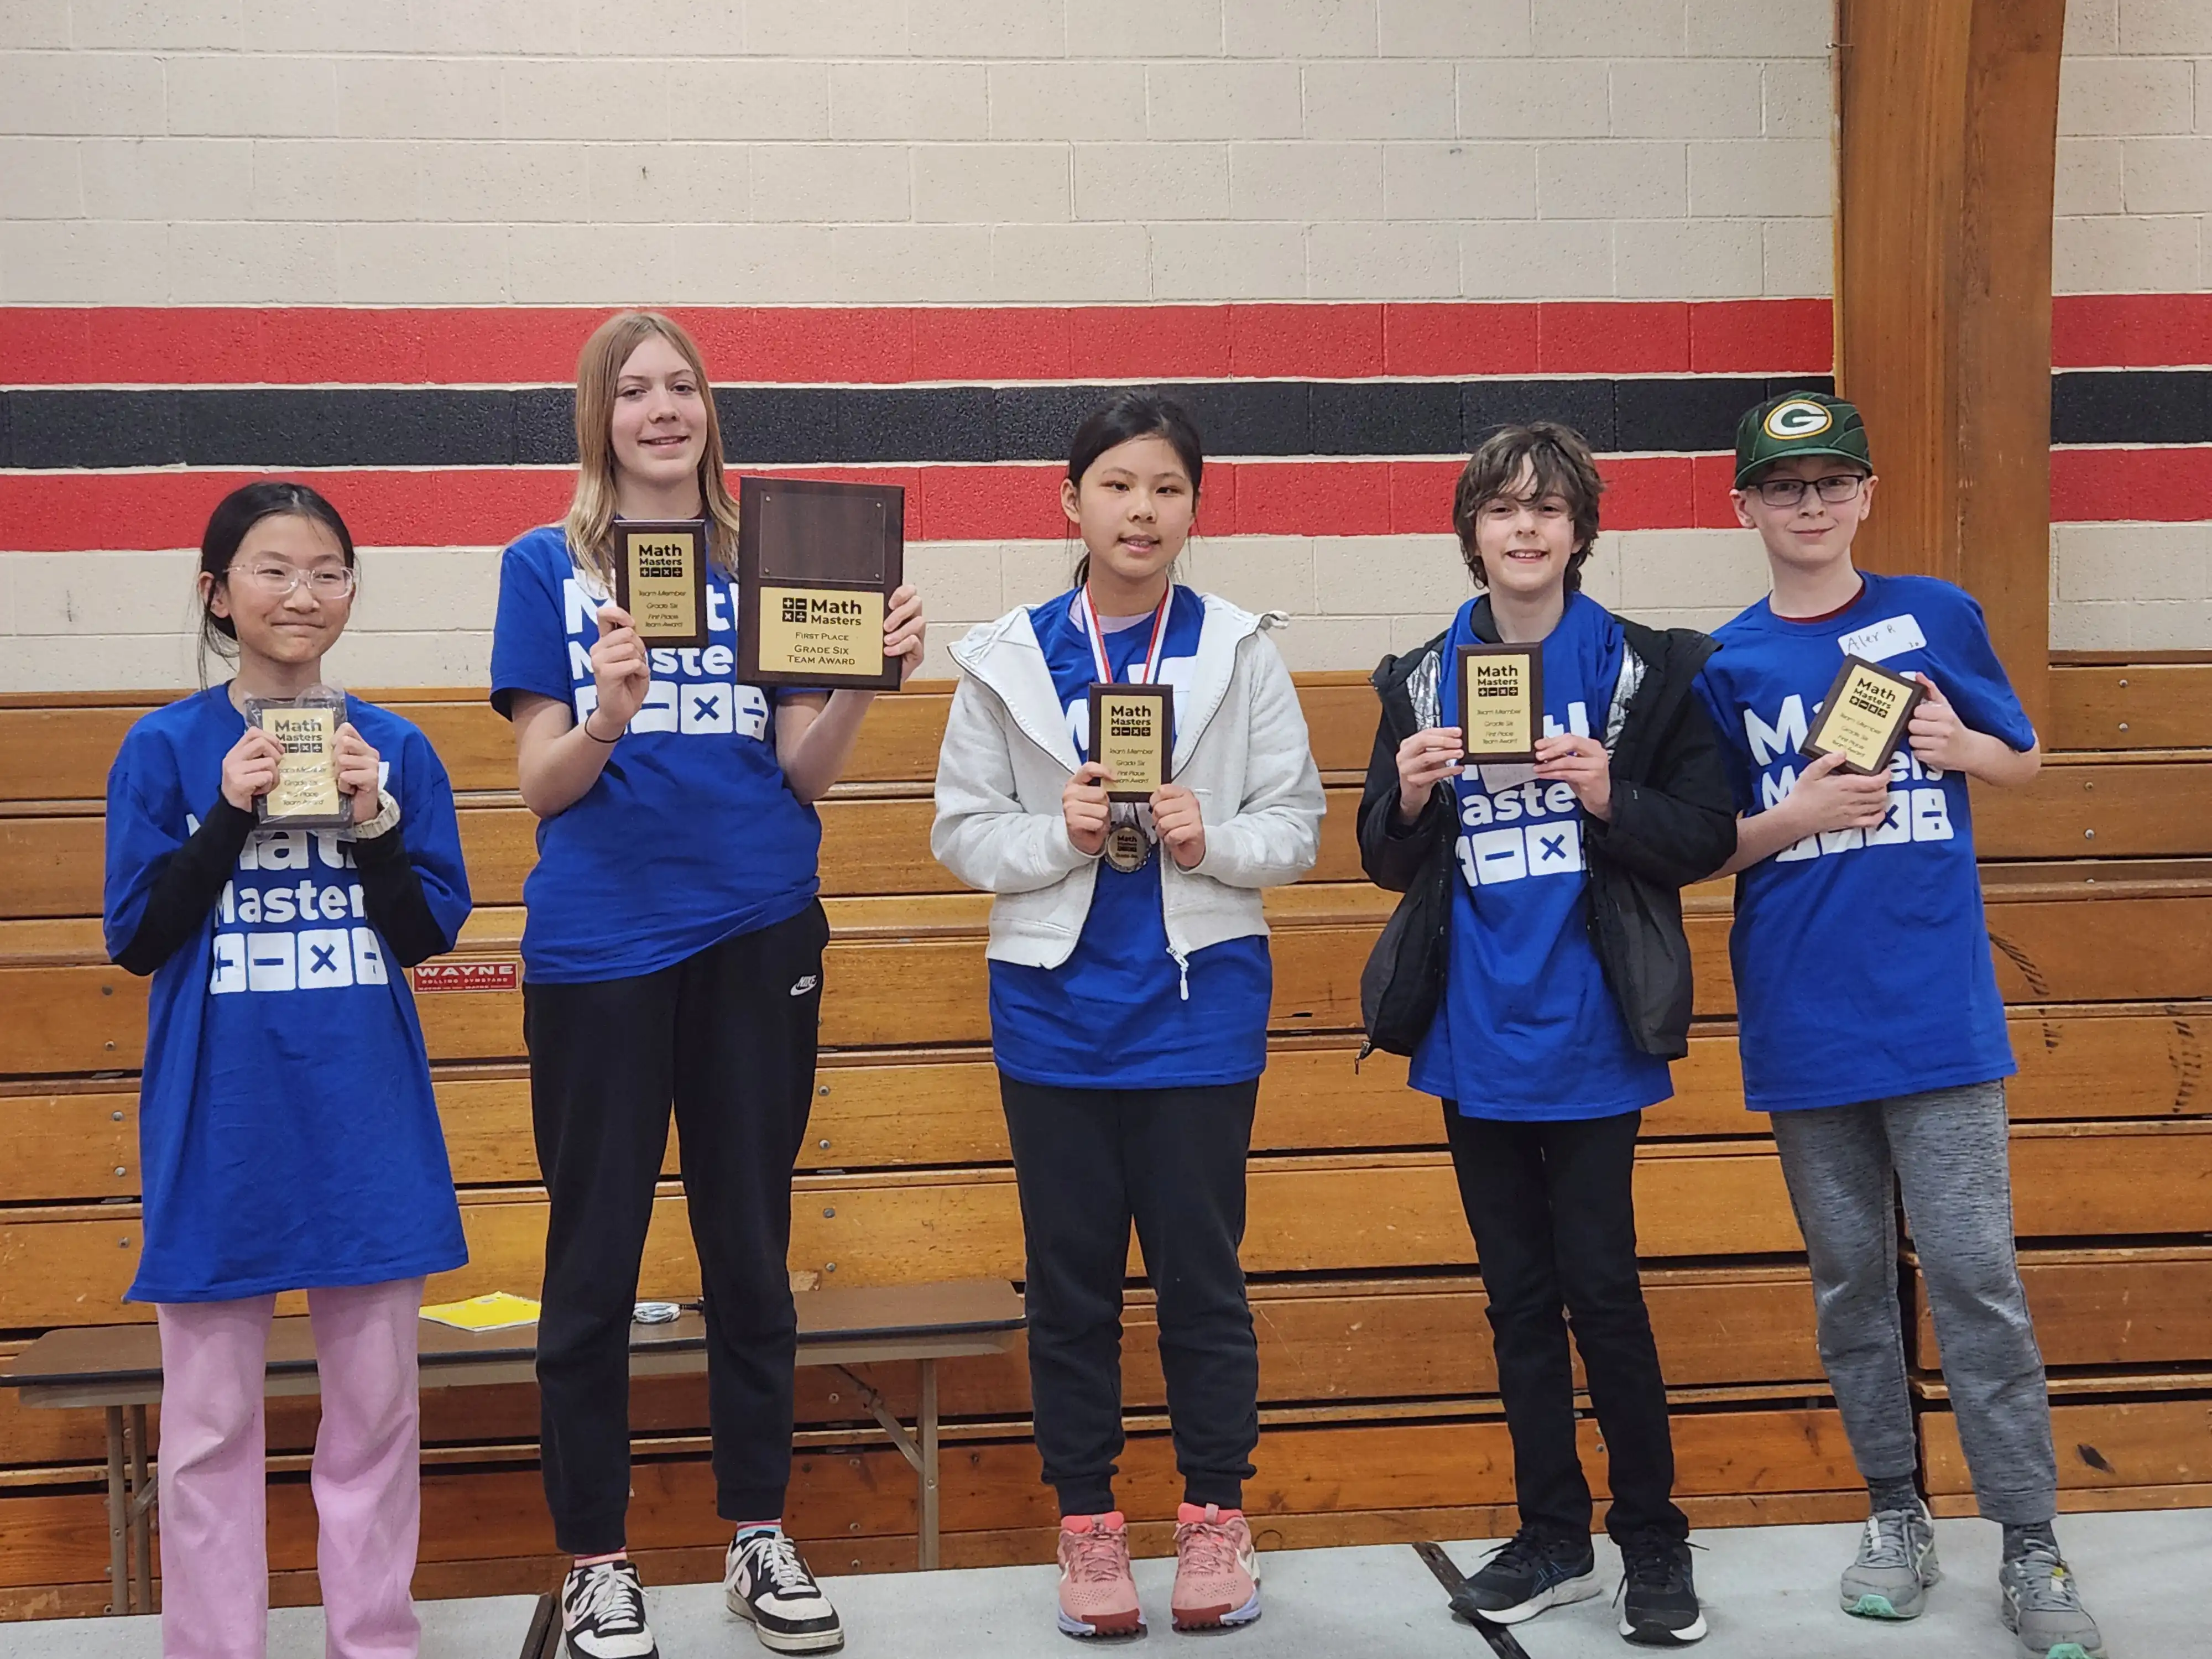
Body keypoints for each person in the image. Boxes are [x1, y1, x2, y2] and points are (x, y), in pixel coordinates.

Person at [489, 310, 925, 1659]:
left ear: (709, 411)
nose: (662, 408)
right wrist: (610, 707)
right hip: (599, 948)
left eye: (682, 385)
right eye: (634, 390)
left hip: (756, 932)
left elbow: (803, 768)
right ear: (597, 417)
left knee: (748, 1251)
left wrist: (867, 677)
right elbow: (539, 784)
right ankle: (598, 1563)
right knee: (593, 1264)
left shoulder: (774, 557)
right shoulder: (540, 565)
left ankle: (754, 1534)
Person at [1694, 393, 2103, 1659]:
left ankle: (2028, 1543)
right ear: (1743, 507)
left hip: (1934, 1019)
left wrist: (1963, 745)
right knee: (1849, 1288)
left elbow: (2024, 759)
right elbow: (1706, 845)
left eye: (1829, 482)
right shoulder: (1724, 664)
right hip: (1803, 1020)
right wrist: (1794, 818)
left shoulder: (1933, 613)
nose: (1808, 505)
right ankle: (1893, 1514)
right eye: (1782, 485)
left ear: (1864, 493)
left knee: (1978, 1280)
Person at [932, 390, 1324, 1640]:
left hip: (1196, 1010)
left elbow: (1297, 822)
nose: (1140, 509)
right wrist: (1058, 833)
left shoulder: (1237, 651)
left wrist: (1218, 840)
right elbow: (960, 830)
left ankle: (1214, 1518)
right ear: (1071, 503)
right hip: (1051, 1015)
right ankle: (1089, 1531)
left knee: (1203, 1282)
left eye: (1164, 487)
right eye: (1116, 485)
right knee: (1071, 1287)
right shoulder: (1006, 654)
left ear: (1193, 508)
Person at [1358, 423, 1735, 1647]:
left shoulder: (1648, 667)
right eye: (1501, 510)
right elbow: (1379, 855)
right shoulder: (1418, 675)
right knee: (1515, 1304)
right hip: (1473, 1037)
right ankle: (1551, 1535)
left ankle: (1652, 1542)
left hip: (1590, 1034)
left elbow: (1699, 837)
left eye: (1547, 509)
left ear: (1580, 528)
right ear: (1469, 532)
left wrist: (1603, 793)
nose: (1523, 529)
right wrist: (1408, 794)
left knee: (1604, 1296)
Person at [103, 481, 471, 1659]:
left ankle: (373, 1639)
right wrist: (221, 816)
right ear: (217, 591)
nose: (300, 592)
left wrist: (372, 822)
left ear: (352, 593)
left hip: (365, 1123)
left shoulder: (397, 746)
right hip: (224, 1125)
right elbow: (138, 938)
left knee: (376, 1417)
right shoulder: (162, 746)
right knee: (209, 1426)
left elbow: (425, 939)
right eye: (271, 568)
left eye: (325, 570)